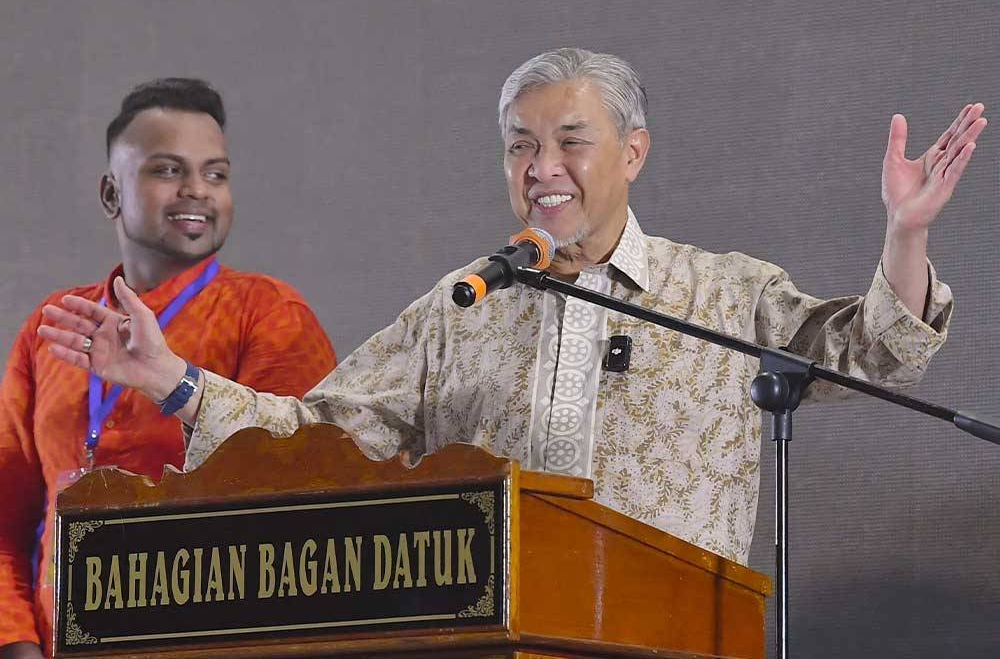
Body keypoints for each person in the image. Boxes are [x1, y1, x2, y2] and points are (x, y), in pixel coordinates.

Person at [39, 48, 986, 572]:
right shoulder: (465, 303)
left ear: (635, 152)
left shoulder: (724, 292)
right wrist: (173, 382)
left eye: (571, 142)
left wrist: (905, 236)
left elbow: (874, 356)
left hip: (681, 633)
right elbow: (320, 432)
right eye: (519, 145)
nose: (542, 169)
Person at [1, 79, 337, 658]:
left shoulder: (267, 314)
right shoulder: (54, 326)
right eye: (167, 170)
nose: (196, 191)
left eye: (216, 174)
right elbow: (5, 519)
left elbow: (306, 496)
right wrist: (18, 646)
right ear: (111, 193)